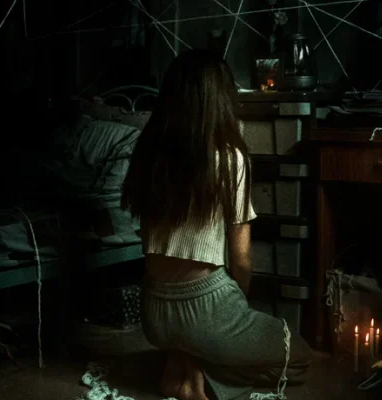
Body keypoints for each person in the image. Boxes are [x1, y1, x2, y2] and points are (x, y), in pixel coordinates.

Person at [121, 48, 314, 400]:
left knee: (208, 339)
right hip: (207, 309)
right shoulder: (230, 157)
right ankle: (203, 375)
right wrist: (234, 311)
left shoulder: (149, 153)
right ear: (219, 100)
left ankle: (185, 361)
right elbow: (242, 260)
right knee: (300, 355)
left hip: (154, 313)